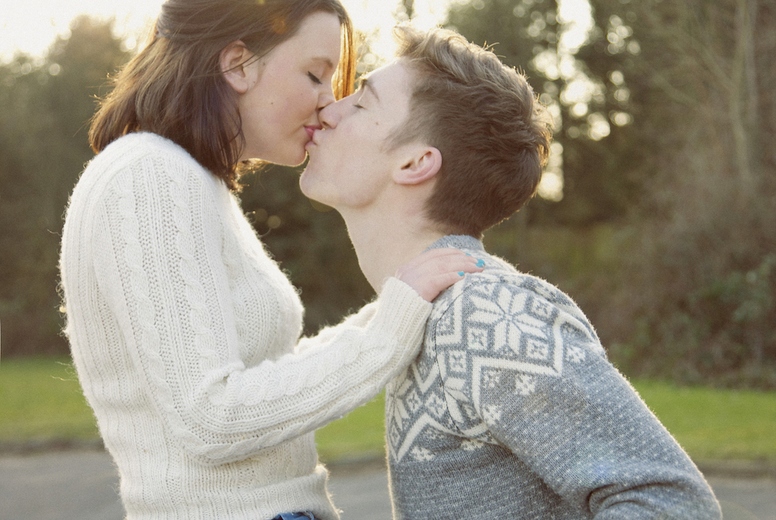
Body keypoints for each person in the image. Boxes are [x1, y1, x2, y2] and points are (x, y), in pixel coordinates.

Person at [58, 2, 481, 519]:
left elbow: (256, 377)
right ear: (238, 64)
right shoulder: (149, 175)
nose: (328, 104)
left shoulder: (184, 178)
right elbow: (209, 418)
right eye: (314, 75)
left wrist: (397, 307)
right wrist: (389, 332)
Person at [300, 25, 723, 518]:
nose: (327, 109)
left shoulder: (480, 313)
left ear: (415, 162)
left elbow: (672, 503)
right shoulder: (422, 314)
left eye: (360, 102)